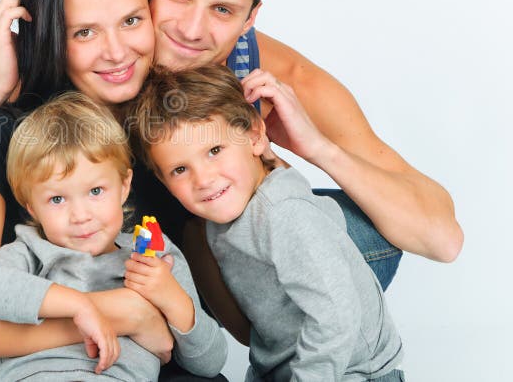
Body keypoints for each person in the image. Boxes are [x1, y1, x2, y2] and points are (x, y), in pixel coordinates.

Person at [0, 0, 224, 380]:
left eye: (131, 21)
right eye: (84, 33)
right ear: (52, 39)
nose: (117, 52)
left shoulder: (177, 128)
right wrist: (120, 314)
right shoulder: (6, 135)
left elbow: (216, 334)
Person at [127, 64, 405, 381]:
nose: (203, 179)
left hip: (350, 373)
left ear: (255, 137)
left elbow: (336, 315)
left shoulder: (283, 213)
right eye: (179, 170)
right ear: (164, 182)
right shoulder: (223, 216)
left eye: (215, 150)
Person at [0, 91, 226, 380]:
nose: (80, 216)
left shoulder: (153, 258)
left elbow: (210, 363)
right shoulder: (31, 252)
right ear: (32, 208)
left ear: (124, 186)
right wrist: (78, 306)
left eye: (96, 191)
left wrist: (173, 299)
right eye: (57, 199)